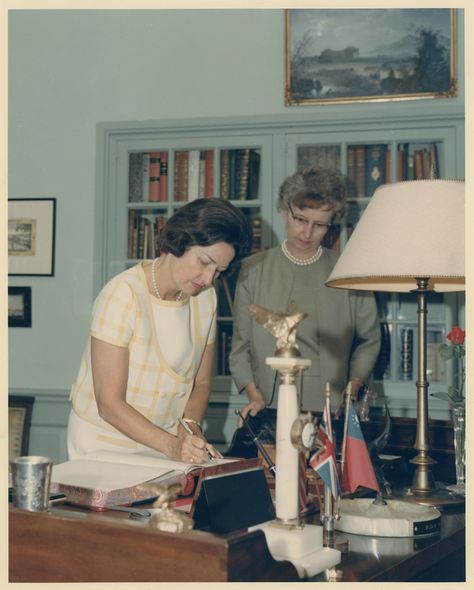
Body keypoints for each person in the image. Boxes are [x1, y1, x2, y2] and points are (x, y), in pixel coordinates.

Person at [67, 198, 252, 464]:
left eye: (219, 270)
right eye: (204, 262)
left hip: (164, 447)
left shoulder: (205, 298)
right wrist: (174, 447)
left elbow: (201, 383)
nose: (209, 278)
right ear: (180, 241)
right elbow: (108, 404)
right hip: (103, 447)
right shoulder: (122, 295)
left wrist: (190, 428)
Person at [229, 166, 381, 422]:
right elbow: (239, 346)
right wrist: (254, 396)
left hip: (330, 409)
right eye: (300, 219)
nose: (307, 233)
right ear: (283, 211)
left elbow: (370, 340)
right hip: (266, 405)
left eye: (319, 225)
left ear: (331, 225)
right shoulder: (252, 270)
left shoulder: (348, 271)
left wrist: (351, 390)